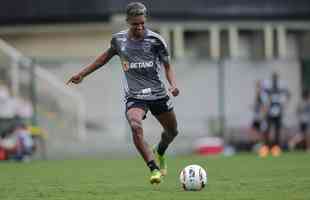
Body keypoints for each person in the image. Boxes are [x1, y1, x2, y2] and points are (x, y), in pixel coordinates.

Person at [67, 2, 179, 184]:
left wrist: (173, 85)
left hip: (158, 94)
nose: (140, 27)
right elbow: (102, 59)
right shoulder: (118, 41)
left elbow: (168, 67)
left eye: (143, 23)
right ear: (128, 21)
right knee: (135, 126)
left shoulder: (156, 40)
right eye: (136, 24)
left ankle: (160, 151)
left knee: (172, 132)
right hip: (135, 96)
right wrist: (81, 74)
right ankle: (154, 169)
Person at [259, 72, 290, 157]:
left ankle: (276, 148)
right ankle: (266, 147)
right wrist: (265, 107)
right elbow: (263, 96)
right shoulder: (267, 86)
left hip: (278, 111)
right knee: (267, 129)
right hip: (269, 111)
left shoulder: (281, 86)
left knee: (277, 130)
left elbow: (286, 95)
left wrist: (284, 105)